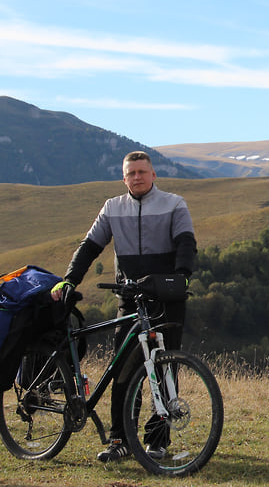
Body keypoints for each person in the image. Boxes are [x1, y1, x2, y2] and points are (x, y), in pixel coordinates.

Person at [51, 150, 197, 463]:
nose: (137, 177)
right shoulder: (112, 208)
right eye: (131, 173)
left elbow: (187, 243)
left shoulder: (174, 204)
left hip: (166, 300)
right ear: (124, 178)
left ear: (154, 174)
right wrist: (69, 280)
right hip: (130, 300)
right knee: (124, 372)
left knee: (164, 368)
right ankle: (120, 439)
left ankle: (157, 441)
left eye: (142, 172)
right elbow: (89, 247)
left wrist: (182, 276)